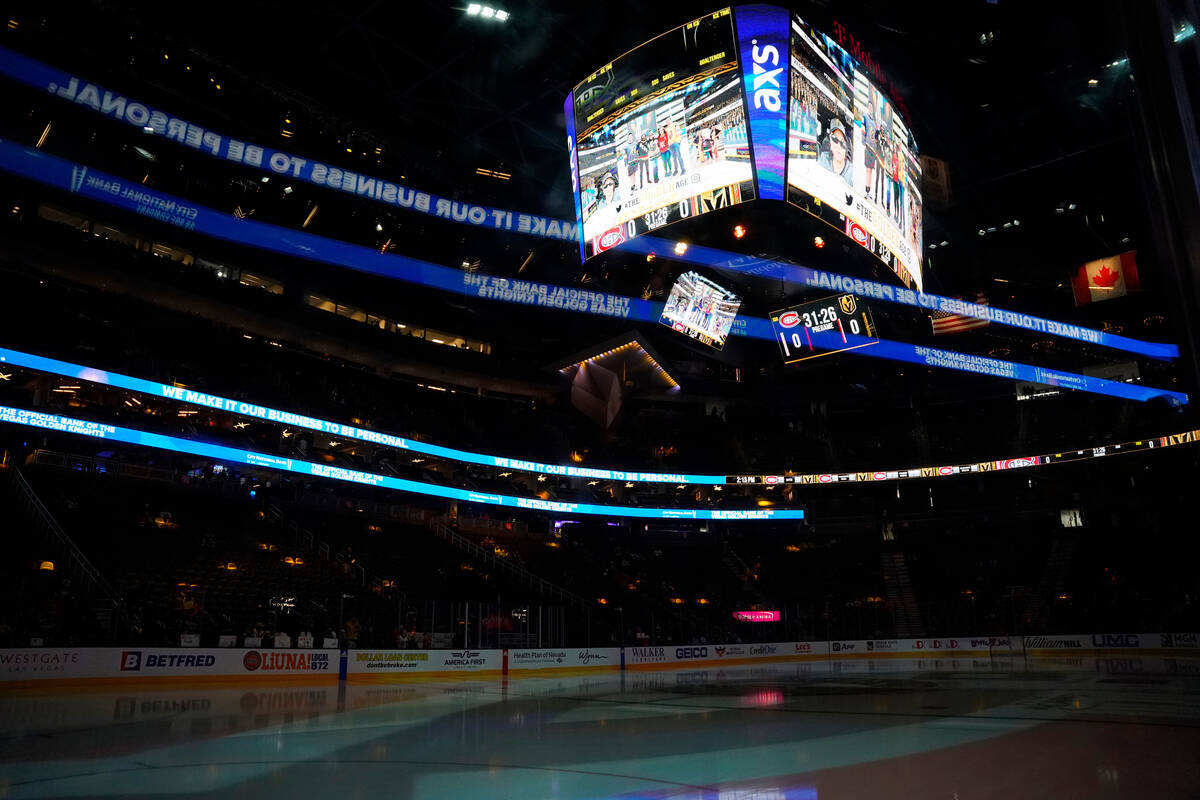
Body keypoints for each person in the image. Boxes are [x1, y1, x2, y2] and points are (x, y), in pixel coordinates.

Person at [817, 117, 853, 186]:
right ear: (830, 141)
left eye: (842, 143)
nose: (838, 146)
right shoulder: (822, 159)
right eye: (834, 139)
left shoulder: (852, 173)